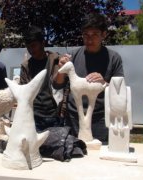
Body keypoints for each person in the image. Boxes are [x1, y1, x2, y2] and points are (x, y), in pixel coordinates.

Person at [53, 13, 124, 142]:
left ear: (104, 34)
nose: (89, 39)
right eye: (86, 34)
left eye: (95, 35)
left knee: (97, 156)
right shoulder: (73, 56)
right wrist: (61, 69)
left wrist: (104, 82)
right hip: (73, 117)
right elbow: (57, 85)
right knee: (73, 154)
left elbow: (119, 90)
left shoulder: (114, 58)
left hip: (100, 119)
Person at [19, 25, 63, 132]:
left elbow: (65, 88)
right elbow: (23, 92)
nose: (31, 50)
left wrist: (62, 112)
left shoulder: (57, 62)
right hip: (34, 117)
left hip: (55, 116)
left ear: (43, 43)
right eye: (28, 47)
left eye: (33, 46)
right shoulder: (26, 66)